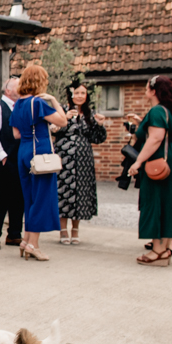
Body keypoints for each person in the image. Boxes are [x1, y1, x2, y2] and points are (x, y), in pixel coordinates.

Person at [127, 75, 172, 265]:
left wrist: (138, 162)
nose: (144, 91)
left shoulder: (158, 110)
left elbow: (156, 138)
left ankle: (156, 251)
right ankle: (166, 248)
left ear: (153, 90)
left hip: (163, 161)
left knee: (156, 201)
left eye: (146, 88)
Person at [10, 65, 67, 262]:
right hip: (40, 152)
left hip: (24, 151)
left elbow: (16, 133)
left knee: (29, 197)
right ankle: (33, 244)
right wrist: (54, 101)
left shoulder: (18, 104)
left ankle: (26, 241)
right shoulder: (39, 102)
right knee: (42, 198)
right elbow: (62, 121)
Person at [53, 83, 107, 245]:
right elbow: (53, 130)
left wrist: (100, 124)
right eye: (77, 93)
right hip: (65, 157)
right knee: (64, 191)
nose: (80, 96)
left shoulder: (91, 113)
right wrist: (66, 119)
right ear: (71, 94)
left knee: (80, 193)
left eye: (83, 93)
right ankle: (63, 230)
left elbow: (98, 139)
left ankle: (75, 229)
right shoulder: (62, 110)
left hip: (83, 160)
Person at [0, 77, 25, 250]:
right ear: (8, 90)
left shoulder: (21, 107)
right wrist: (3, 157)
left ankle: (15, 233)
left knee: (20, 196)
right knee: (3, 196)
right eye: (18, 86)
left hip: (21, 157)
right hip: (6, 159)